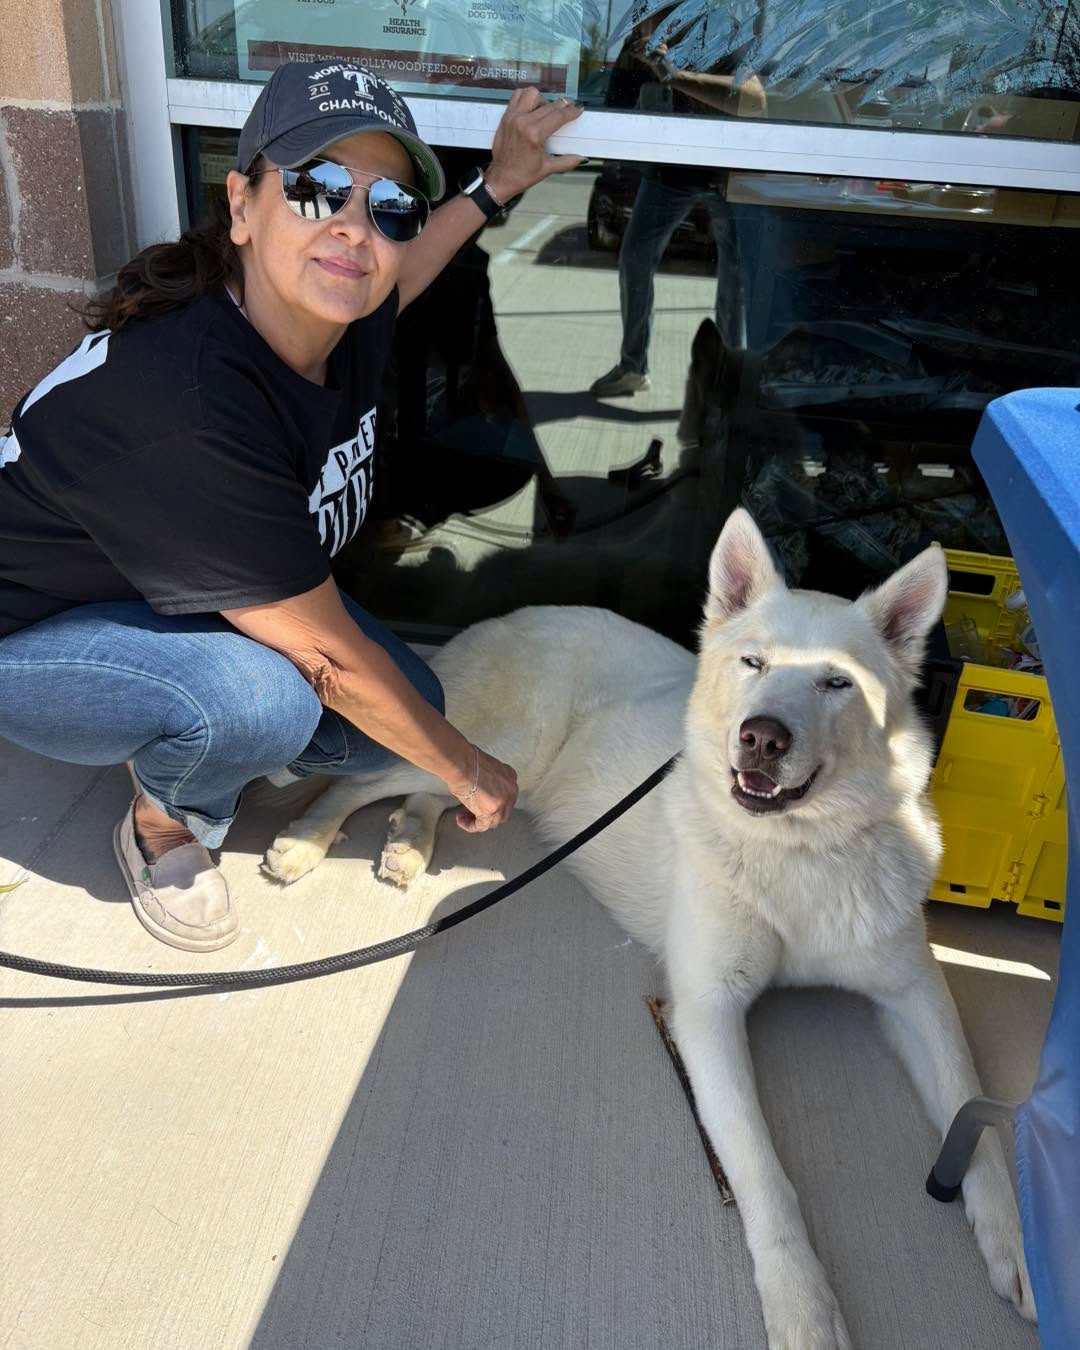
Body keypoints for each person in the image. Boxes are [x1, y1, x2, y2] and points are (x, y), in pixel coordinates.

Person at [0, 62, 582, 952]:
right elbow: (328, 659)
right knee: (268, 698)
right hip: (28, 632)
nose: (354, 230)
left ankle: (190, 714)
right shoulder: (189, 402)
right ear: (241, 205)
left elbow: (406, 269)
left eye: (387, 205)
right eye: (314, 190)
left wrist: (496, 184)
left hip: (149, 581)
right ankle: (168, 822)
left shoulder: (336, 306)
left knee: (401, 717)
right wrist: (470, 772)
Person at [590, 11, 766, 397]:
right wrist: (630, 69)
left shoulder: (720, 30)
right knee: (635, 258)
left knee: (735, 278)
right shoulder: (638, 46)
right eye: (640, 18)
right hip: (670, 173)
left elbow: (755, 99)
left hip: (725, 176)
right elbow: (614, 105)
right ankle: (633, 367)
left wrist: (674, 74)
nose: (644, 24)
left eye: (652, 14)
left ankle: (729, 377)